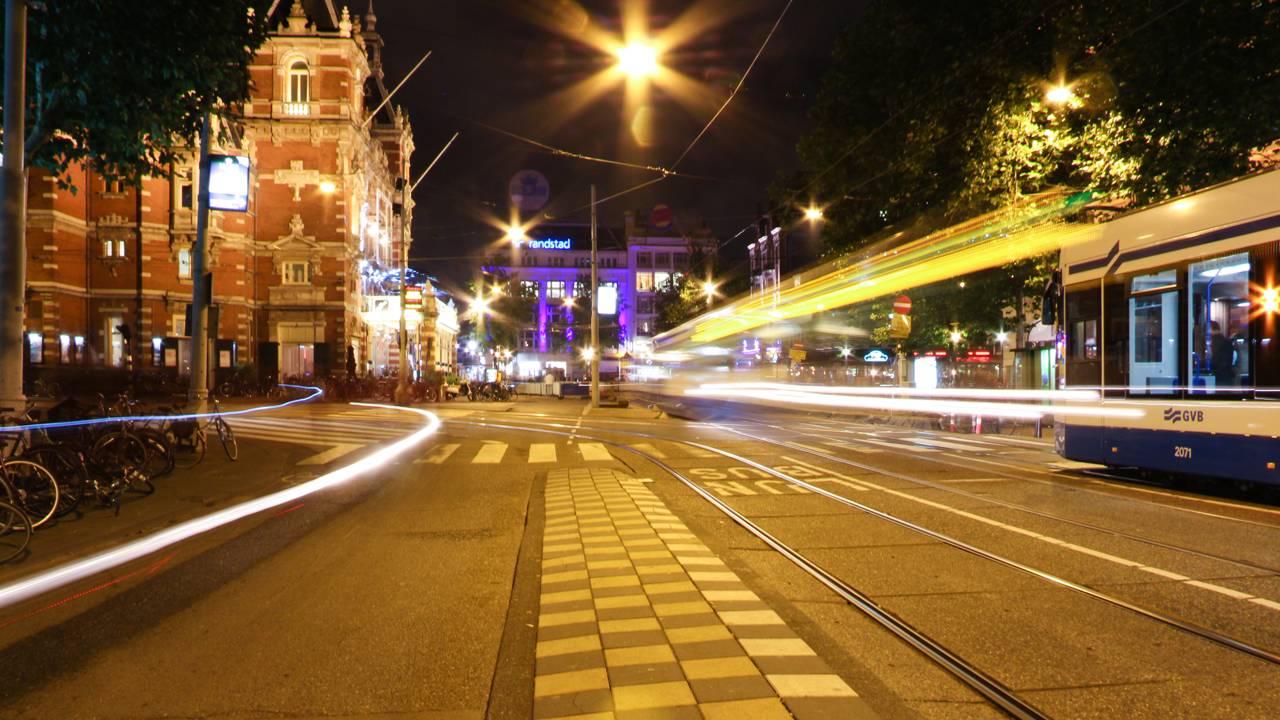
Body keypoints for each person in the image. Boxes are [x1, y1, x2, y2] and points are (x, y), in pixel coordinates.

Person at [1210, 321, 1236, 387]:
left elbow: (1219, 361)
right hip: (1226, 377)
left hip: (1219, 377)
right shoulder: (1227, 341)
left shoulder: (1213, 342)